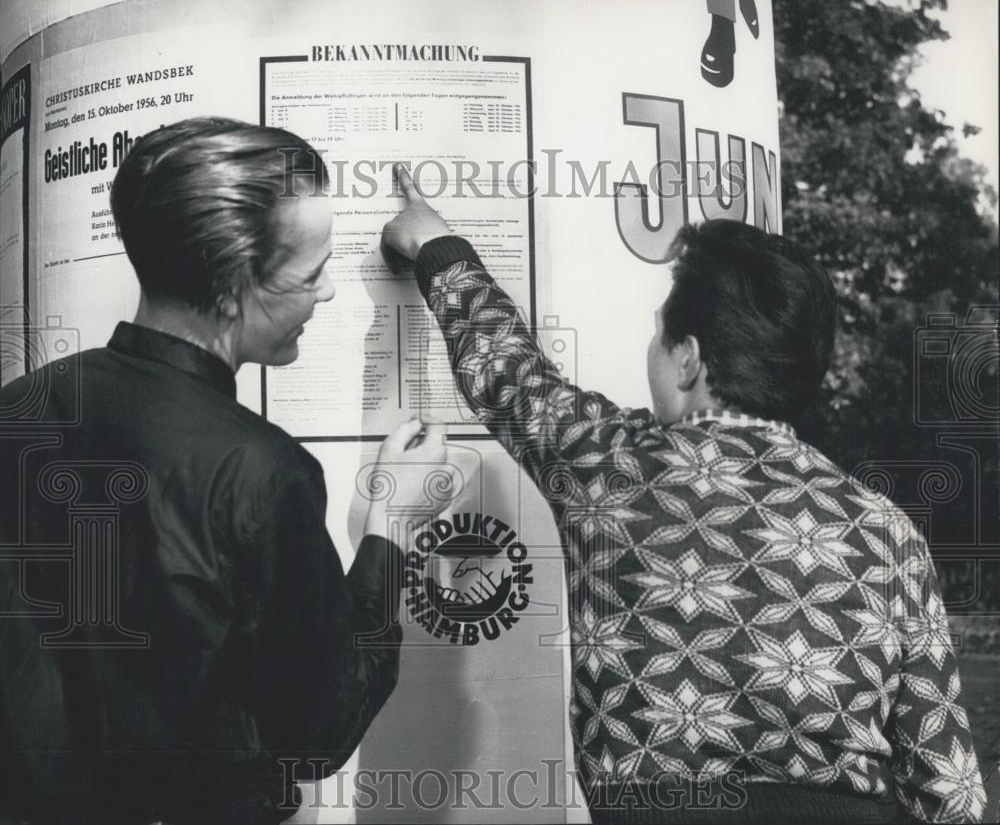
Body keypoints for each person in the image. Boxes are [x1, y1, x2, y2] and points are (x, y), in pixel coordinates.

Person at [381, 165, 986, 824]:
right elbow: (947, 785)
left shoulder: (608, 467)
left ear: (690, 359)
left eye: (659, 333)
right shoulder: (887, 532)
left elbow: (506, 369)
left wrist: (436, 244)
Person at [0, 118, 450, 825]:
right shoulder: (261, 474)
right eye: (311, 273)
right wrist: (391, 522)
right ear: (235, 288)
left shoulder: (17, 409)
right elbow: (317, 732)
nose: (329, 292)